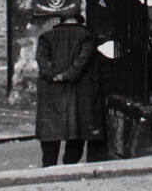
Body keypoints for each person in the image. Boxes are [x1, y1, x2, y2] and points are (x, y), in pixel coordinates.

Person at [35, 13, 104, 167]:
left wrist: (53, 75)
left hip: (51, 91)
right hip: (78, 92)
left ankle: (49, 167)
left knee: (50, 132)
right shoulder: (87, 36)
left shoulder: (46, 37)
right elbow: (83, 60)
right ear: (80, 22)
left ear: (61, 22)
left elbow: (42, 59)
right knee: (77, 131)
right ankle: (69, 166)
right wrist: (68, 75)